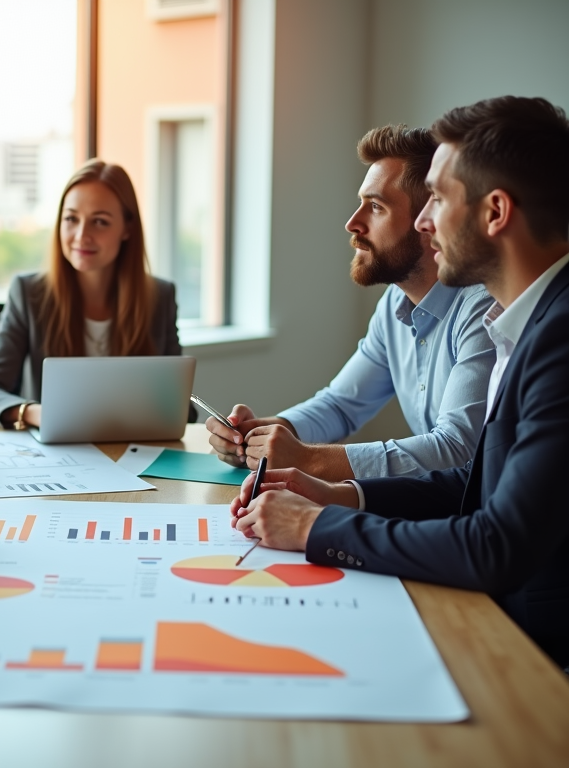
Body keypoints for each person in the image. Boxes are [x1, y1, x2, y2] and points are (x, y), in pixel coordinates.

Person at [230, 96, 569, 666]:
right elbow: (474, 481)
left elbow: (496, 545)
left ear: (495, 213)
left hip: (540, 652)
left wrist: (317, 527)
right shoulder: (528, 320)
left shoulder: (558, 338)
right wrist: (342, 495)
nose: (422, 222)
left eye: (436, 198)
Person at [207, 126, 495, 480]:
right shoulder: (395, 305)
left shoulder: (483, 308)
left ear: (428, 222)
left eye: (375, 206)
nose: (352, 223)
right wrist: (265, 435)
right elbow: (341, 405)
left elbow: (457, 449)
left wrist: (308, 459)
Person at [0, 159, 186, 428]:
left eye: (100, 222)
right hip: (56, 458)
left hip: (133, 454)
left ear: (127, 228)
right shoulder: (30, 293)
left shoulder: (159, 297)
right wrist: (36, 413)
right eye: (71, 219)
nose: (81, 235)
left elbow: (181, 407)